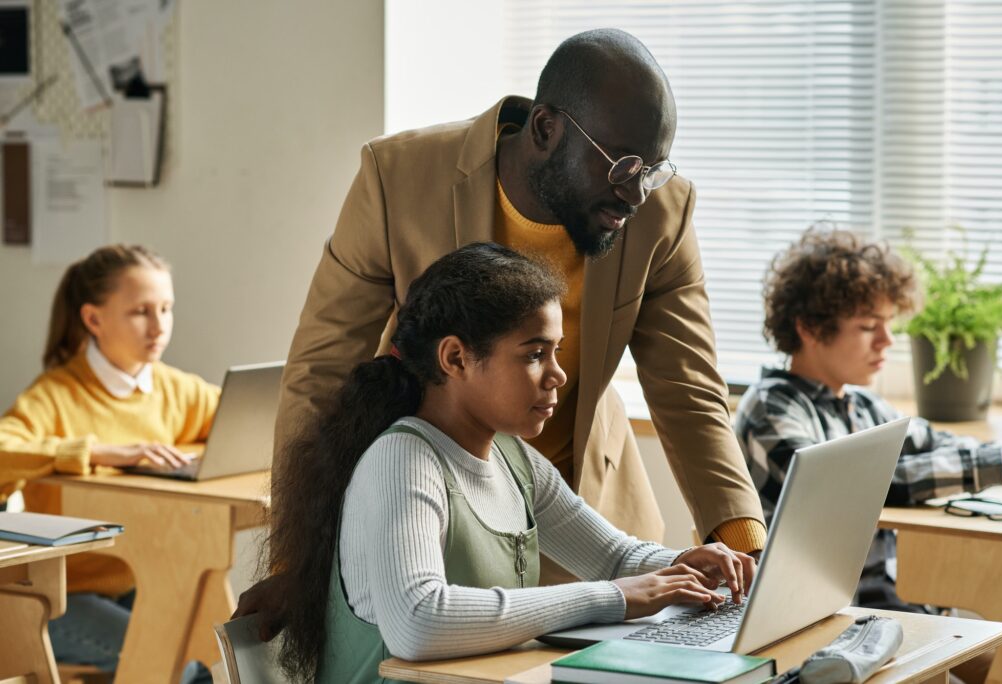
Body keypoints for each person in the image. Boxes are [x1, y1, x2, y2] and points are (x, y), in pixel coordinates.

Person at [244, 28, 767, 631]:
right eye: (624, 166)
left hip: (574, 500)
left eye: (652, 169)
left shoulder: (660, 210)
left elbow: (689, 389)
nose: (637, 192)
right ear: (546, 129)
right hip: (436, 513)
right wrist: (294, 558)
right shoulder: (398, 178)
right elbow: (322, 371)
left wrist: (744, 552)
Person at [268, 242, 756, 683]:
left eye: (556, 352)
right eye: (534, 355)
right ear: (455, 359)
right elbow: (418, 622)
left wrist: (681, 565)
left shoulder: (513, 458)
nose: (557, 375)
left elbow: (612, 558)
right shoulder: (403, 460)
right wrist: (615, 597)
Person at [735, 228, 1002, 612]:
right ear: (808, 327)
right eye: (869, 326)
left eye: (888, 324)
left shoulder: (865, 406)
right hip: (812, 611)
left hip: (881, 597)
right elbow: (845, 489)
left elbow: (941, 444)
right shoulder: (771, 407)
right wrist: (996, 466)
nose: (887, 340)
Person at [0, 245, 220, 675]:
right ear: (93, 319)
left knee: (226, 657)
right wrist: (97, 451)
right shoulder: (55, 396)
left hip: (142, 584)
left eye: (166, 309)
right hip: (59, 598)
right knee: (182, 667)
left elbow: (244, 424)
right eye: (141, 311)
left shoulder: (178, 390)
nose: (159, 326)